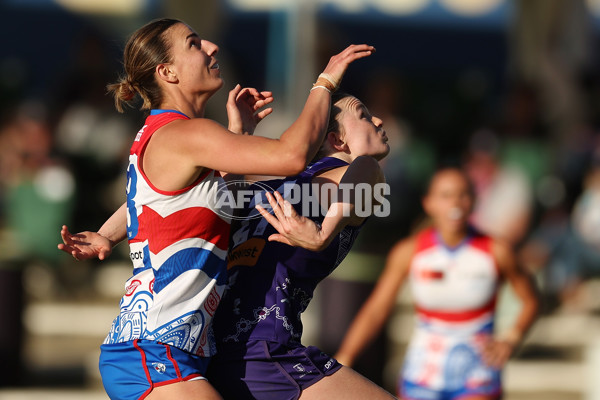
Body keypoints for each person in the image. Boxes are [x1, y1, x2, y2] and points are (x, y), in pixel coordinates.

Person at [57, 17, 375, 400]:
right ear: (167, 72)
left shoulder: (172, 135)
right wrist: (325, 82)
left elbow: (209, 199)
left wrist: (106, 234)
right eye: (193, 44)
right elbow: (292, 156)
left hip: (166, 352)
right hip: (154, 354)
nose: (212, 46)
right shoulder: (184, 134)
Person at [206, 91, 395, 400]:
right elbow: (367, 169)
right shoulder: (345, 180)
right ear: (337, 141)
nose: (378, 120)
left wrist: (237, 137)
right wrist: (322, 234)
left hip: (216, 352)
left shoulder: (265, 186)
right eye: (363, 114)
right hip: (265, 352)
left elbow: (213, 193)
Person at [334, 168, 539, 400]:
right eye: (445, 195)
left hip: (477, 375)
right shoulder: (409, 251)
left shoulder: (497, 250)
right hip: (422, 373)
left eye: (463, 194)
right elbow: (376, 309)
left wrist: (511, 338)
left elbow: (531, 300)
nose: (455, 203)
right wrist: (345, 357)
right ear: (428, 203)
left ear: (474, 200)